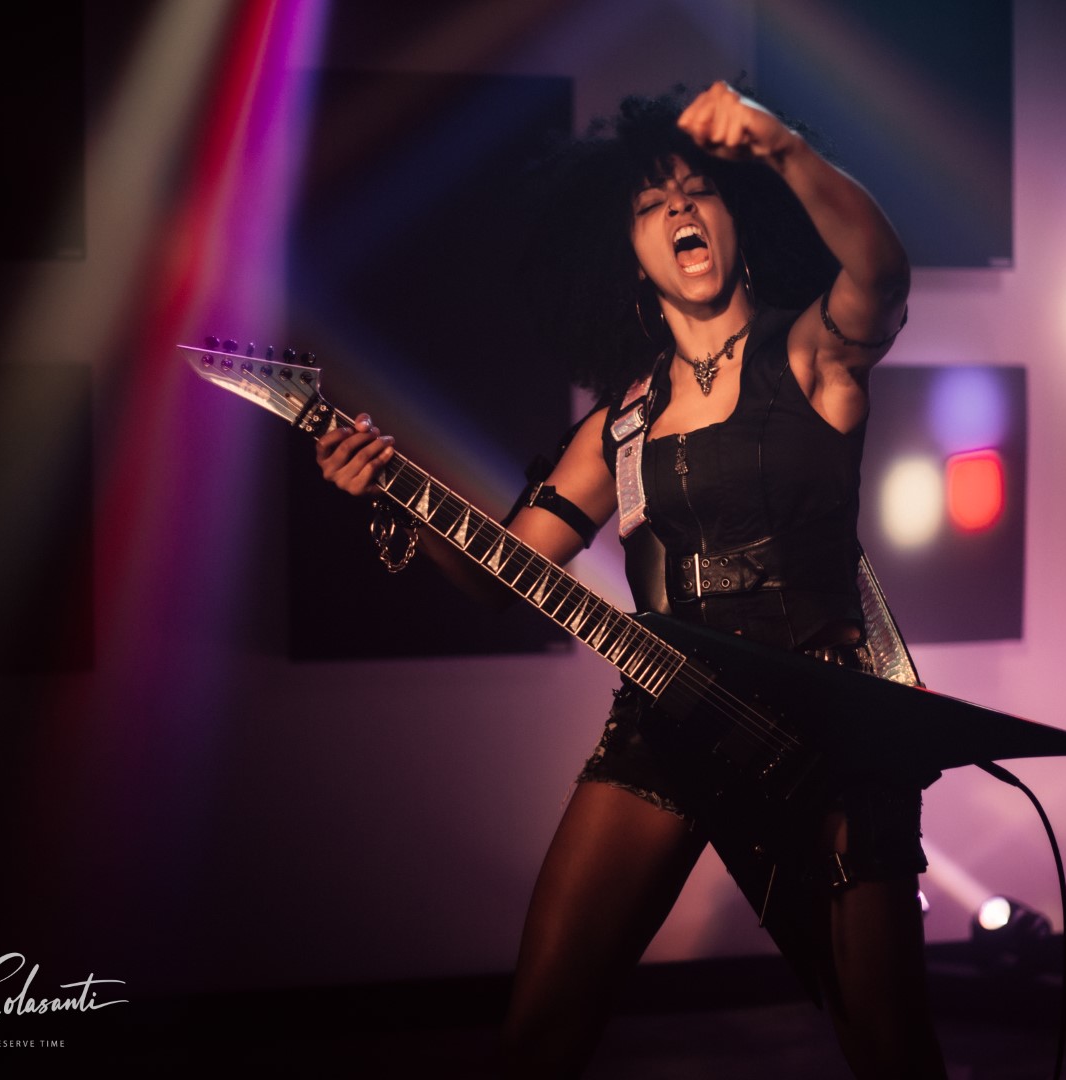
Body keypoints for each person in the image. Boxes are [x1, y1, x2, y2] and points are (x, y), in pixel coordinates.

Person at [315, 81, 945, 1079]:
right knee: (538, 1037)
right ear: (632, 255)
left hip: (827, 730)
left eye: (698, 192)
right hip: (668, 717)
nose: (679, 210)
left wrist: (780, 144)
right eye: (652, 205)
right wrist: (392, 492)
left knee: (890, 1053)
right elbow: (502, 575)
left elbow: (882, 271)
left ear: (738, 217)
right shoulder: (620, 424)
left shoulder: (810, 354)